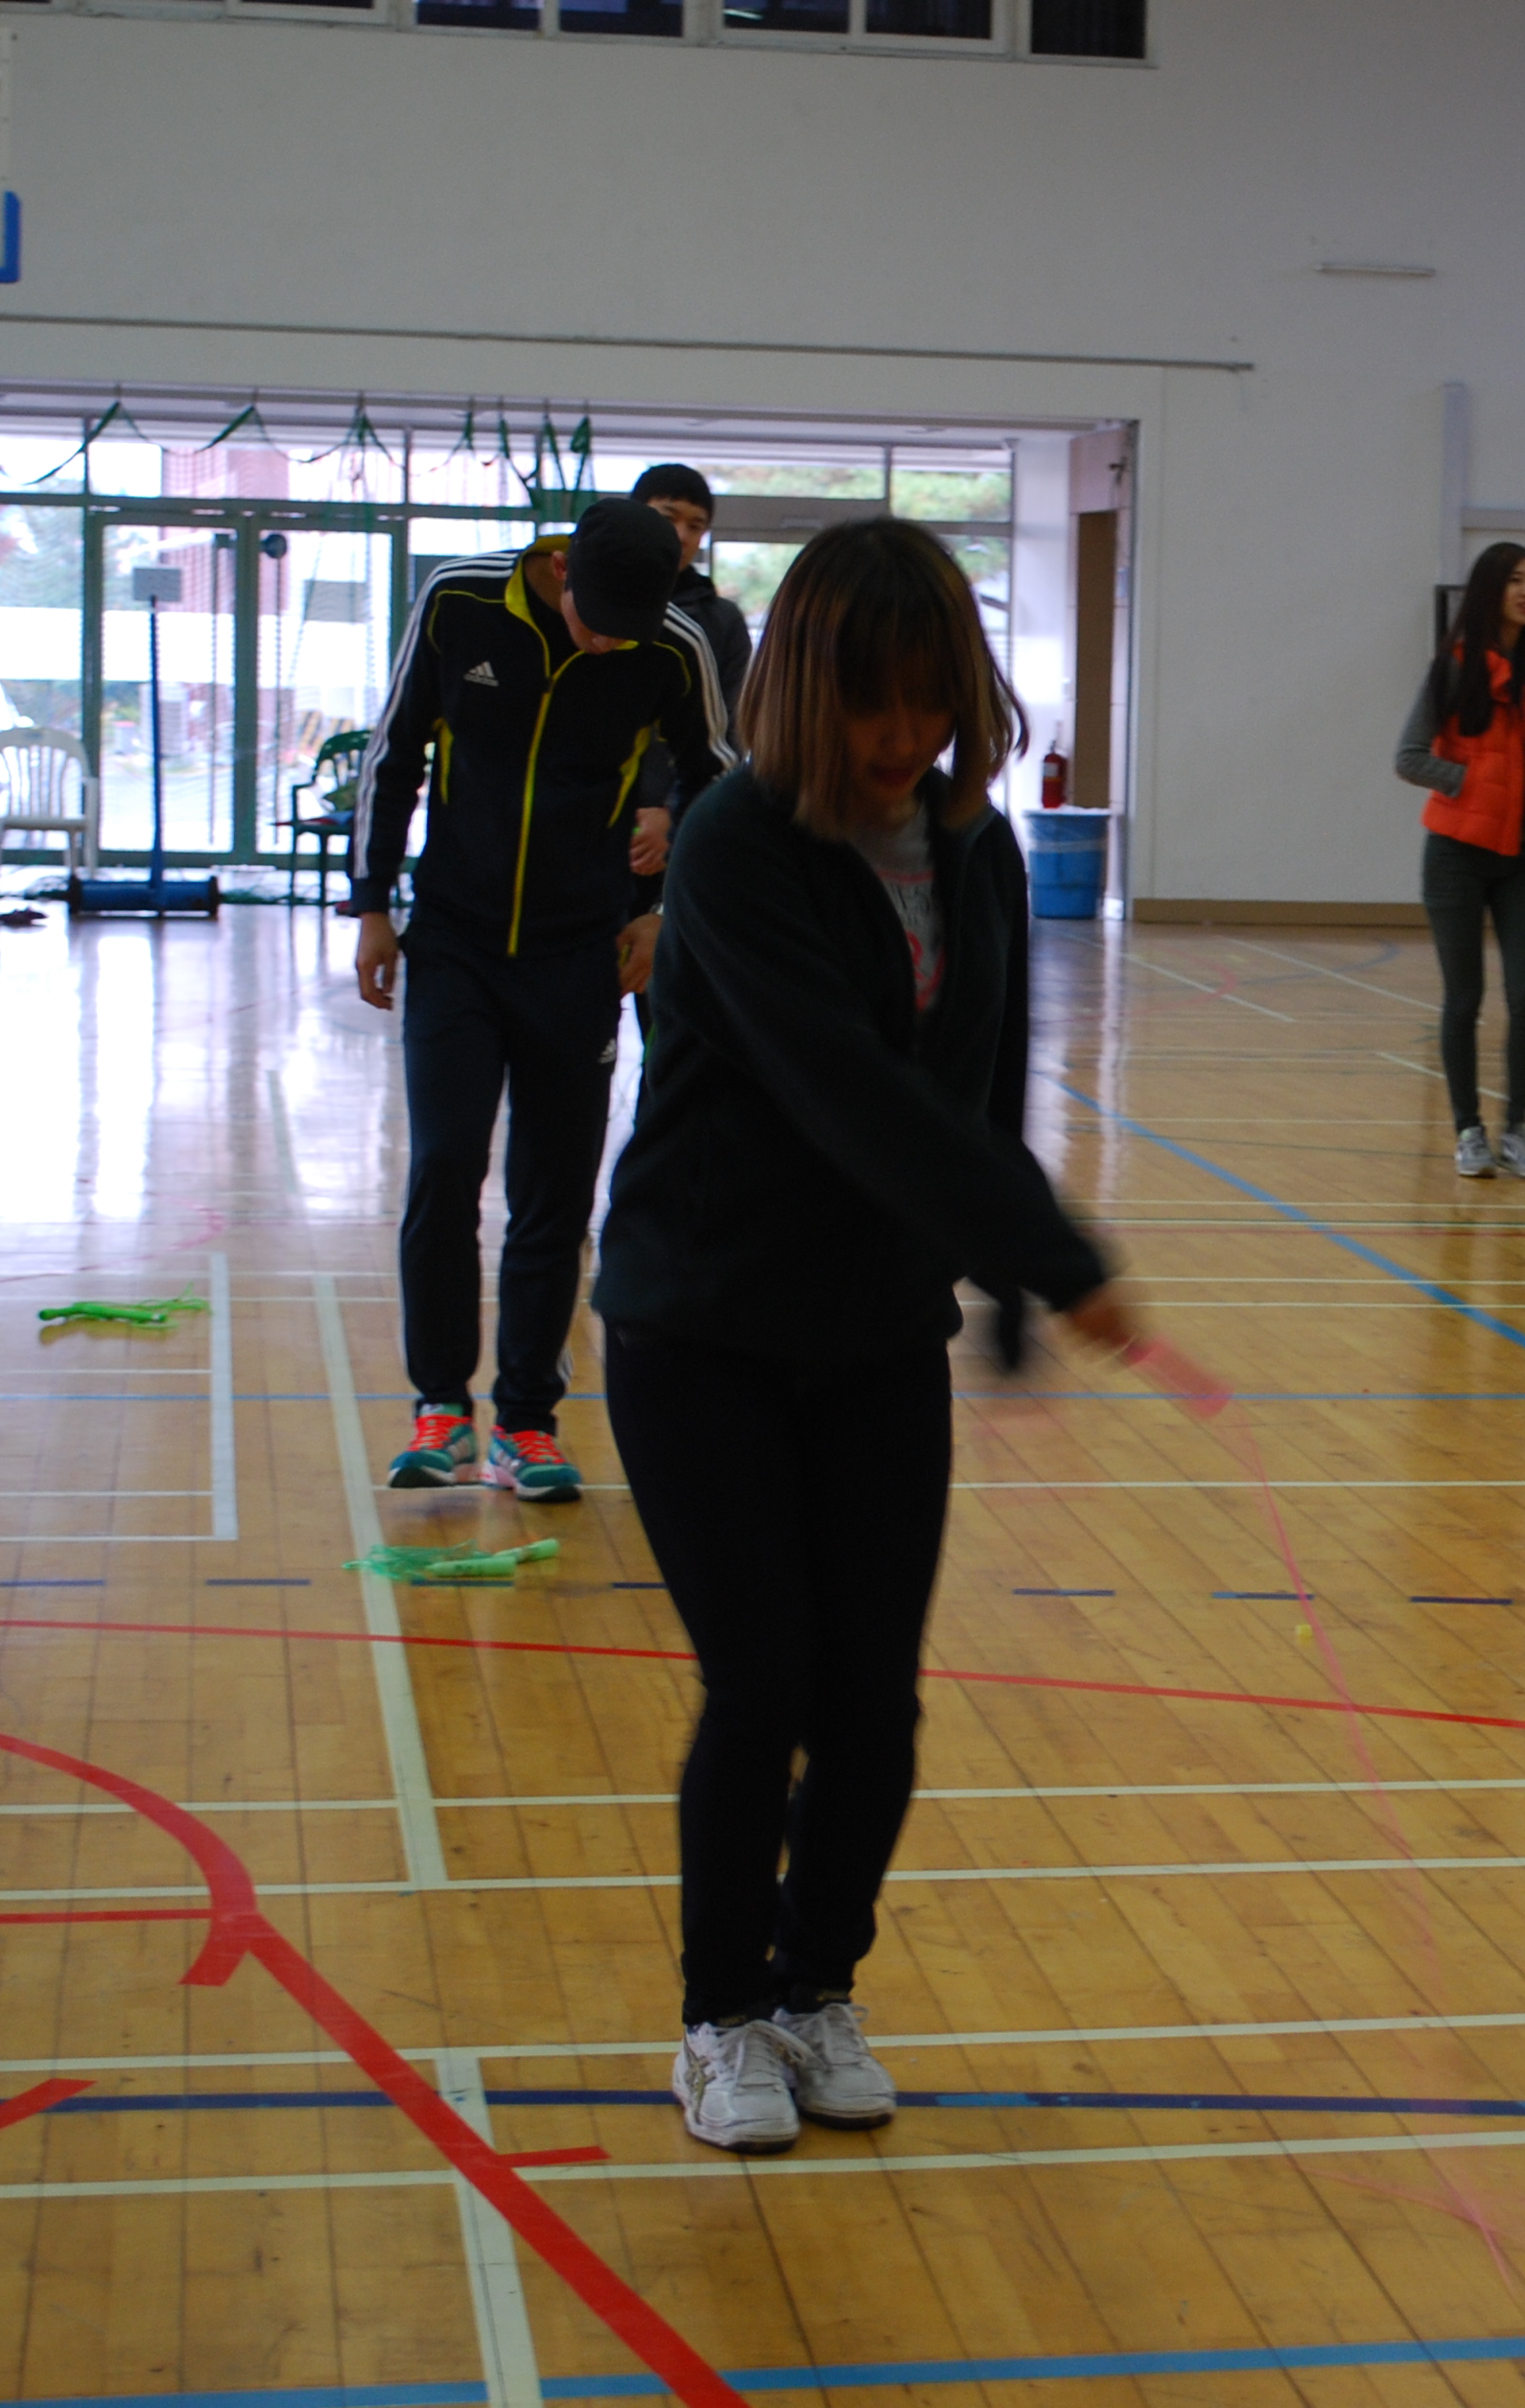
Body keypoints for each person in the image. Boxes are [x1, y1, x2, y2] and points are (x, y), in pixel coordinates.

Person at [592, 516, 1138, 2153]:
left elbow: (981, 1084)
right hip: (702, 1325)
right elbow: (847, 1090)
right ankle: (719, 2020)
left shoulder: (974, 848)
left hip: (876, 1333)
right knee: (763, 1682)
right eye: (873, 702)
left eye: (930, 698)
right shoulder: (736, 845)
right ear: (806, 693)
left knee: (875, 1704)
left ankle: (815, 1984)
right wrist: (1051, 1254)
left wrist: (1007, 1298)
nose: (904, 735)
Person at [345, 501, 725, 1502]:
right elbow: (395, 753)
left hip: (578, 957)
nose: (606, 644)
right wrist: (373, 903)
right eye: (595, 621)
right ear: (561, 572)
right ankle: (439, 1406)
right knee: (444, 1169)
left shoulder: (672, 647)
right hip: (455, 945)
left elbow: (718, 784)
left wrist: (663, 912)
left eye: (625, 632)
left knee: (554, 1193)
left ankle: (525, 1422)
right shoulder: (459, 602)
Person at [1396, 541, 1525, 1180]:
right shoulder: (1453, 669)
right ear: (1491, 591)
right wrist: (1469, 784)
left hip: (1522, 859)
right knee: (1465, 998)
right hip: (1456, 858)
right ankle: (1468, 1129)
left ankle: (1518, 1127)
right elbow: (1409, 756)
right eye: (1516, 580)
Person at [631, 461, 752, 732]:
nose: (681, 536)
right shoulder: (590, 599)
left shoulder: (723, 621)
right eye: (667, 519)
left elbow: (731, 722)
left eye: (695, 526)